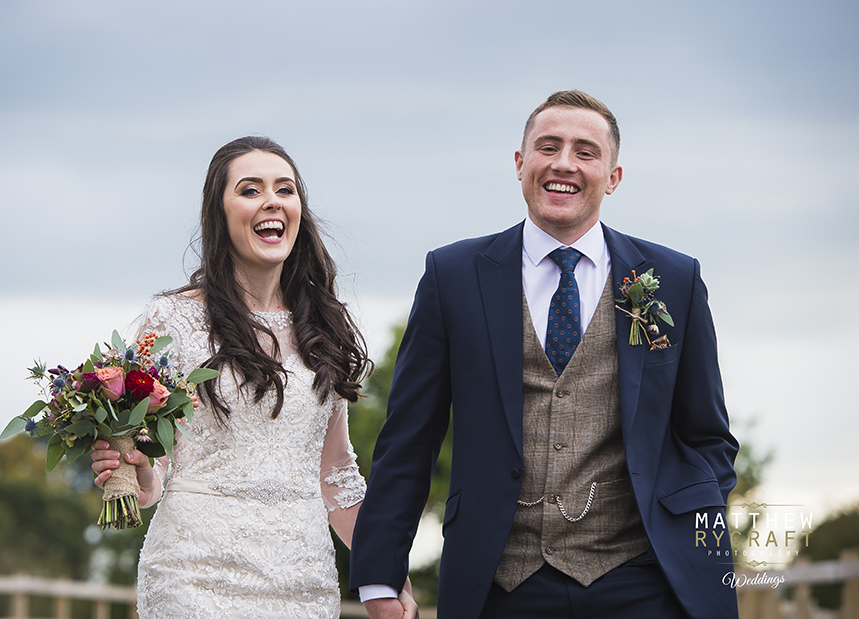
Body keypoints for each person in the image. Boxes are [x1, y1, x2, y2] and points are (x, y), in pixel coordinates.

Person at [350, 91, 739, 619]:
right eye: (548, 147)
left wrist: (694, 529)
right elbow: (409, 438)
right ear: (520, 163)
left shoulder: (670, 280)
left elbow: (707, 435)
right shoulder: (455, 276)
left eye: (585, 151)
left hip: (646, 581)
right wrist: (378, 574)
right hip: (500, 584)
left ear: (614, 175)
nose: (563, 164)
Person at [90, 136, 418, 618]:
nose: (272, 201)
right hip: (193, 576)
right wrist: (137, 474)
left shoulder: (324, 328)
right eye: (250, 190)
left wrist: (386, 574)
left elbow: (337, 477)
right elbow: (155, 462)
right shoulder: (172, 321)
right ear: (218, 214)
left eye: (285, 189)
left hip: (302, 581)